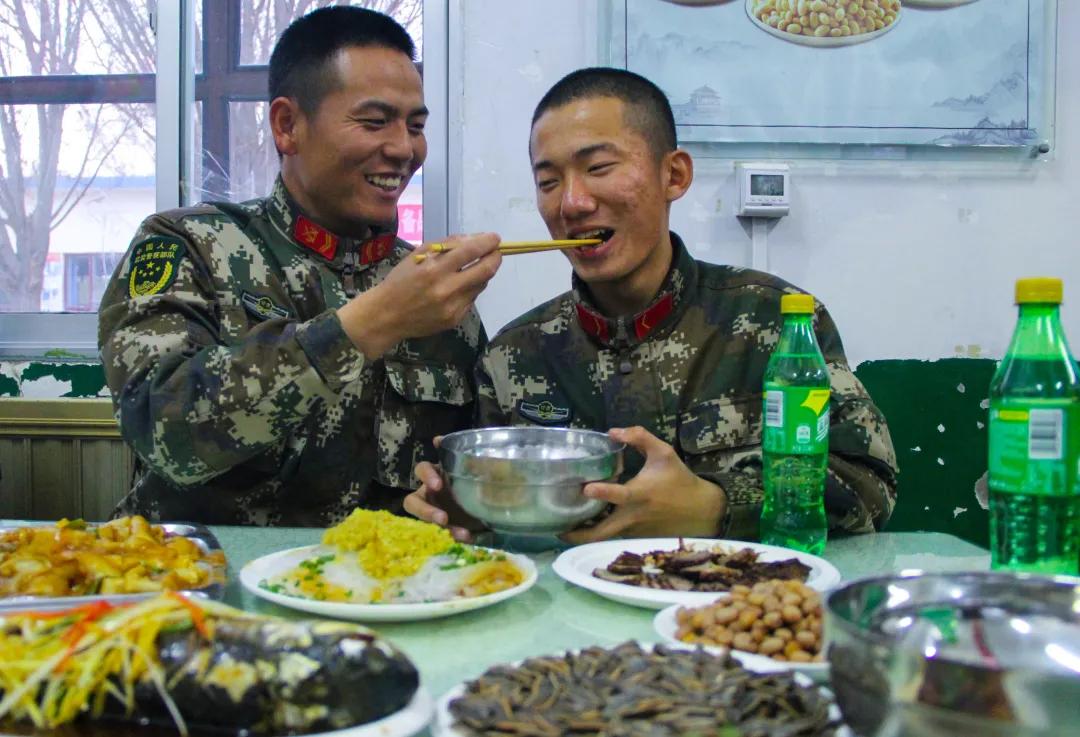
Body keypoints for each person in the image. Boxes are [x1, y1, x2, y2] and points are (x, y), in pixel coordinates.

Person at [405, 67, 897, 543]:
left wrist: (714, 506)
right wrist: (462, 508)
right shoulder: (513, 355)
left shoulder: (775, 320)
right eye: (549, 181)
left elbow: (871, 484)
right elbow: (498, 517)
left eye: (598, 167)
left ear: (674, 175)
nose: (571, 203)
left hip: (729, 607)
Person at [98, 7, 502, 526]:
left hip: (376, 596)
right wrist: (372, 322)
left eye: (416, 126)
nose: (404, 149)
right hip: (206, 589)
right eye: (375, 122)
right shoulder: (189, 246)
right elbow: (164, 431)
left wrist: (460, 504)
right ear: (288, 125)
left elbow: (470, 468)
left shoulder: (436, 291)